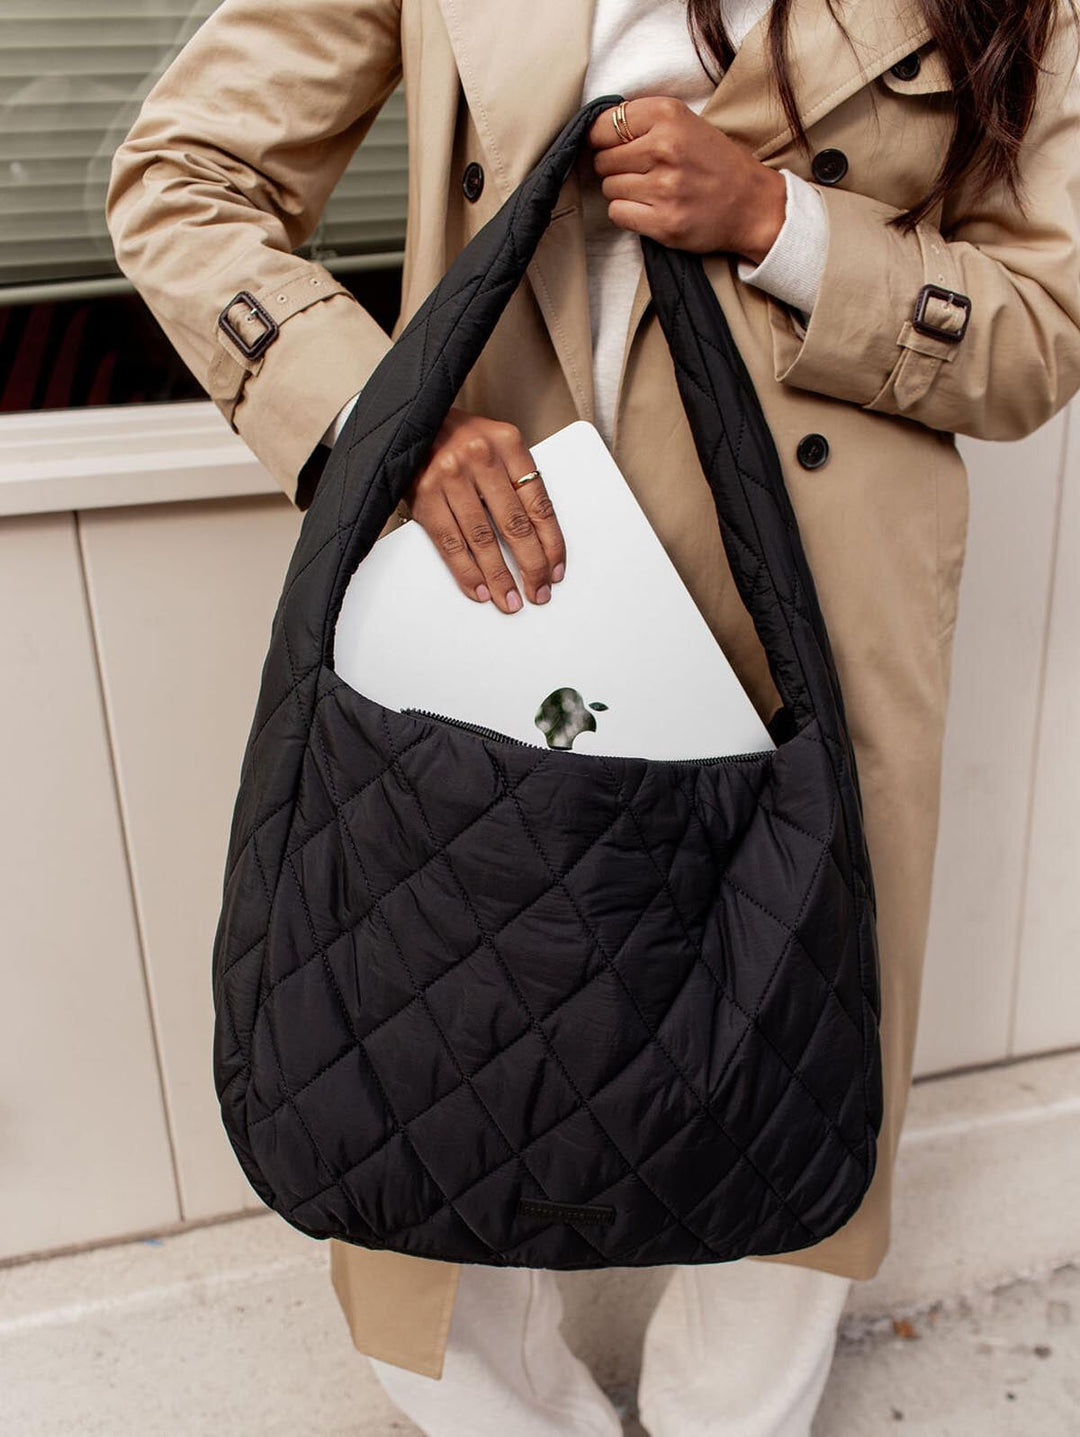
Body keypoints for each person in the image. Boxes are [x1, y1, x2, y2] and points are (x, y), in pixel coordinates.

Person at [105, 0, 1080, 1432]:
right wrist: (383, 417)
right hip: (507, 559)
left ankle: (729, 1416)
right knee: (431, 1029)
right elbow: (186, 172)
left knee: (792, 1037)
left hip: (815, 577)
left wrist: (778, 222)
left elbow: (1041, 325)